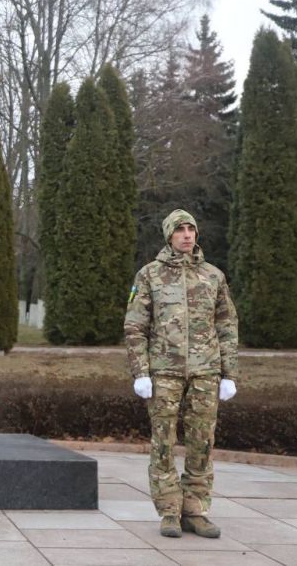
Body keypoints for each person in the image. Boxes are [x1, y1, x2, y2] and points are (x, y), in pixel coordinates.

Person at [124, 209, 239, 539]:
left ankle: (196, 510)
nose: (187, 235)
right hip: (164, 372)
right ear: (169, 236)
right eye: (180, 230)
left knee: (202, 441)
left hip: (206, 371)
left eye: (191, 229)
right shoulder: (149, 276)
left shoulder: (213, 276)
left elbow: (227, 326)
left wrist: (229, 374)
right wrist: (140, 371)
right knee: (163, 441)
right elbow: (135, 326)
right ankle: (169, 511)